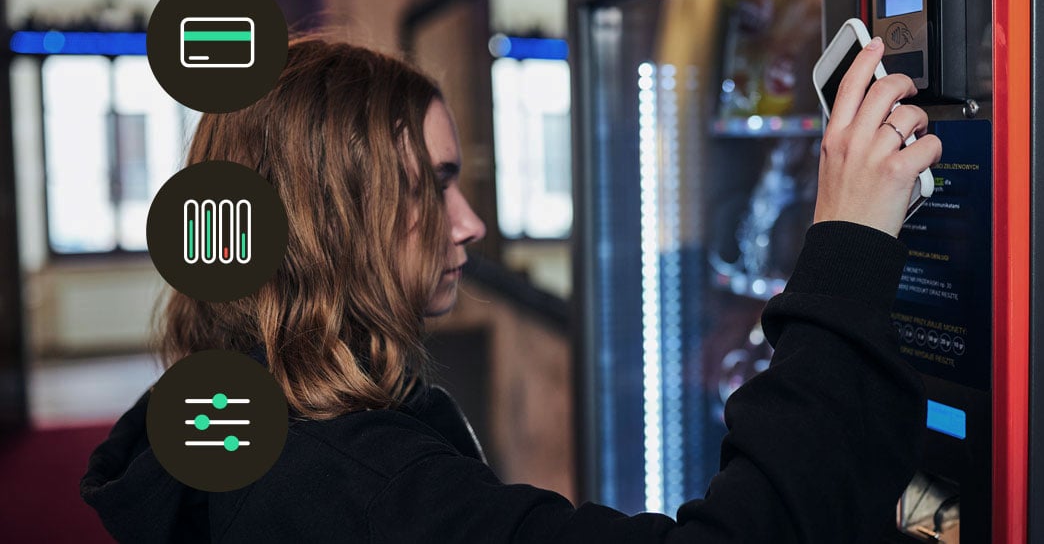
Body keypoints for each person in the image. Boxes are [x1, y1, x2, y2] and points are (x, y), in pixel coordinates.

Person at [81, 35, 940, 543]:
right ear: (331, 217)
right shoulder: (356, 489)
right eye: (433, 185)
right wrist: (850, 247)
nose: (469, 224)